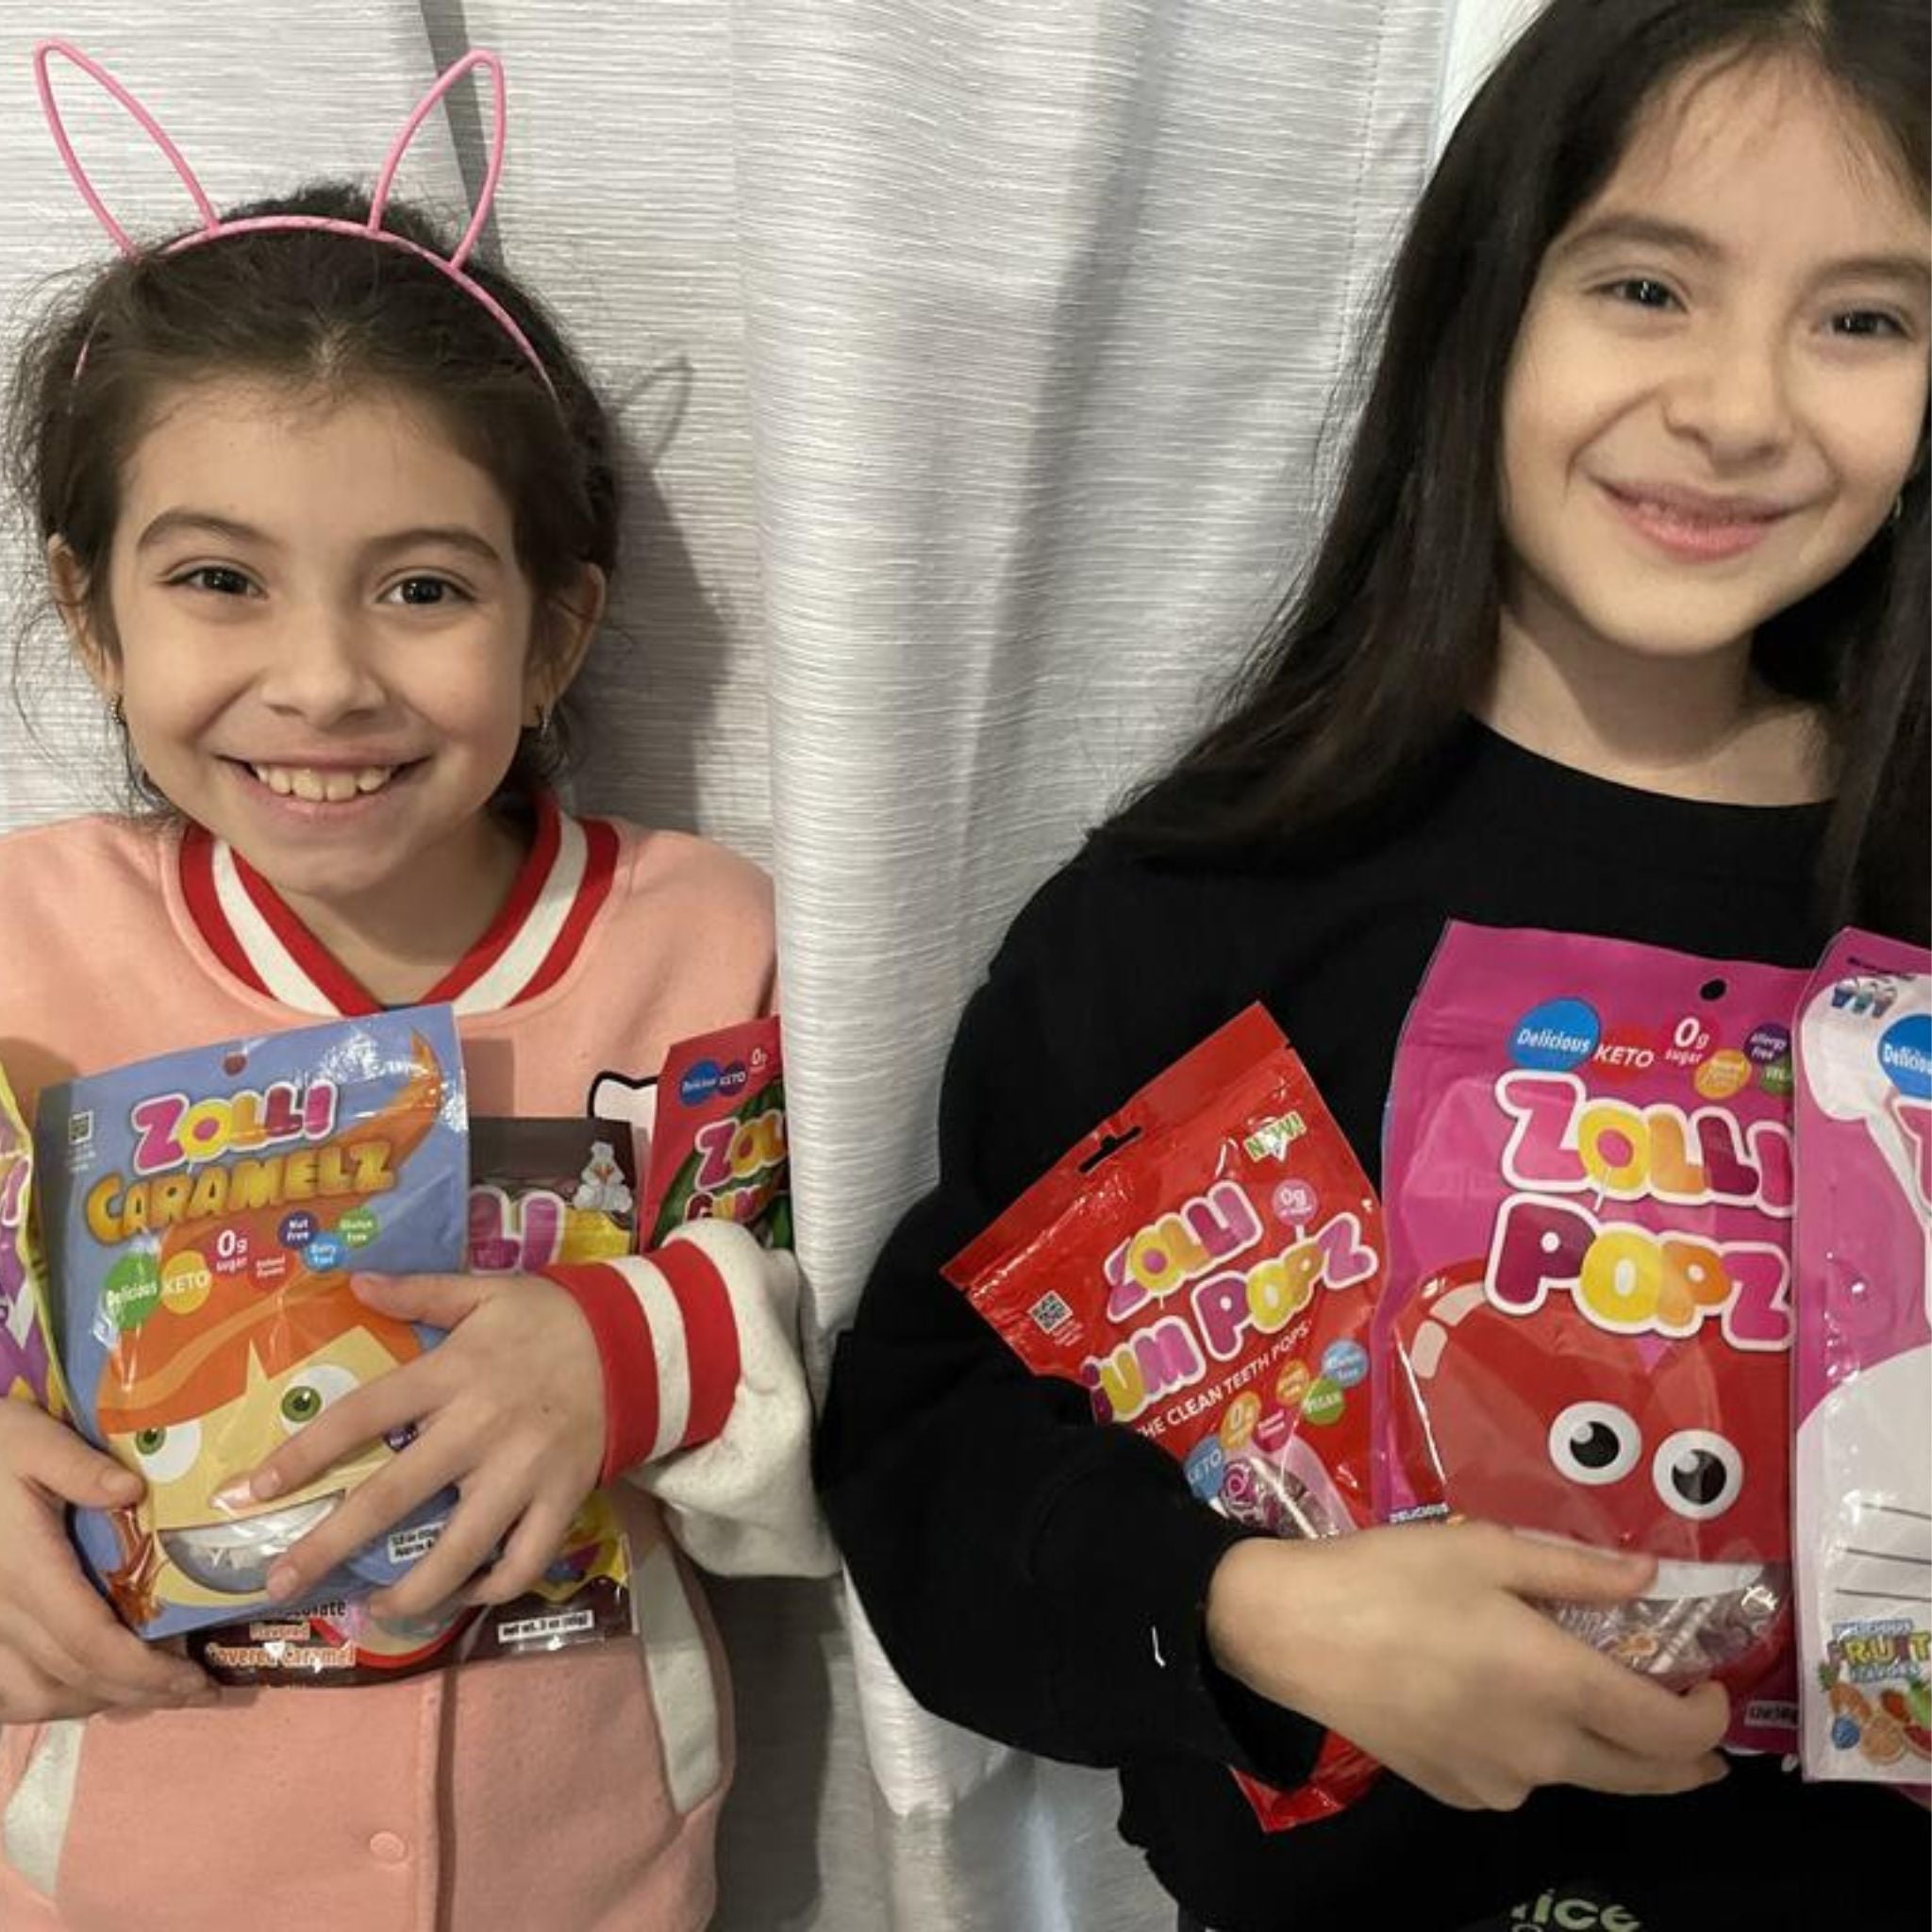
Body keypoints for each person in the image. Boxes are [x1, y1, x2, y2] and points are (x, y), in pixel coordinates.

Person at [817, 1, 1930, 1925]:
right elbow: (926, 1461)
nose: (1743, 404)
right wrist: (1251, 1611)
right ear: (1480, 306)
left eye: (1864, 316)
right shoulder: (1205, 897)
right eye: (1647, 285)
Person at [0, 42, 828, 1932]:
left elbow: (852, 1376)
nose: (321, 683)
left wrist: (633, 1350)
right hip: (111, 1875)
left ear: (559, 626)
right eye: (218, 579)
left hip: (598, 1877)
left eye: (423, 589)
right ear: (84, 611)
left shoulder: (713, 947)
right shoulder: (27, 944)